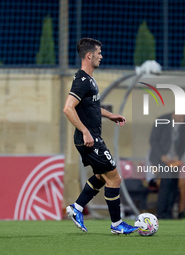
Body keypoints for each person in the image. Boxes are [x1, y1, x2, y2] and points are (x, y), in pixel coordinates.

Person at [63, 38, 138, 234]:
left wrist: (110, 115)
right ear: (89, 55)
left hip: (92, 138)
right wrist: (86, 131)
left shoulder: (89, 79)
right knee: (115, 179)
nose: (101, 56)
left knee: (101, 176)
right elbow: (68, 108)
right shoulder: (81, 81)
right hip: (90, 139)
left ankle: (77, 208)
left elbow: (92, 106)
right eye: (98, 53)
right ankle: (116, 224)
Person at [149, 108, 185, 219]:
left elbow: (184, 142)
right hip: (160, 159)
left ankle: (169, 212)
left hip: (174, 161)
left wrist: (178, 156)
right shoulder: (161, 120)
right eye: (180, 117)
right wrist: (162, 156)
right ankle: (162, 213)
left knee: (173, 185)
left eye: (184, 118)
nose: (181, 120)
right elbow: (153, 140)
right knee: (165, 184)